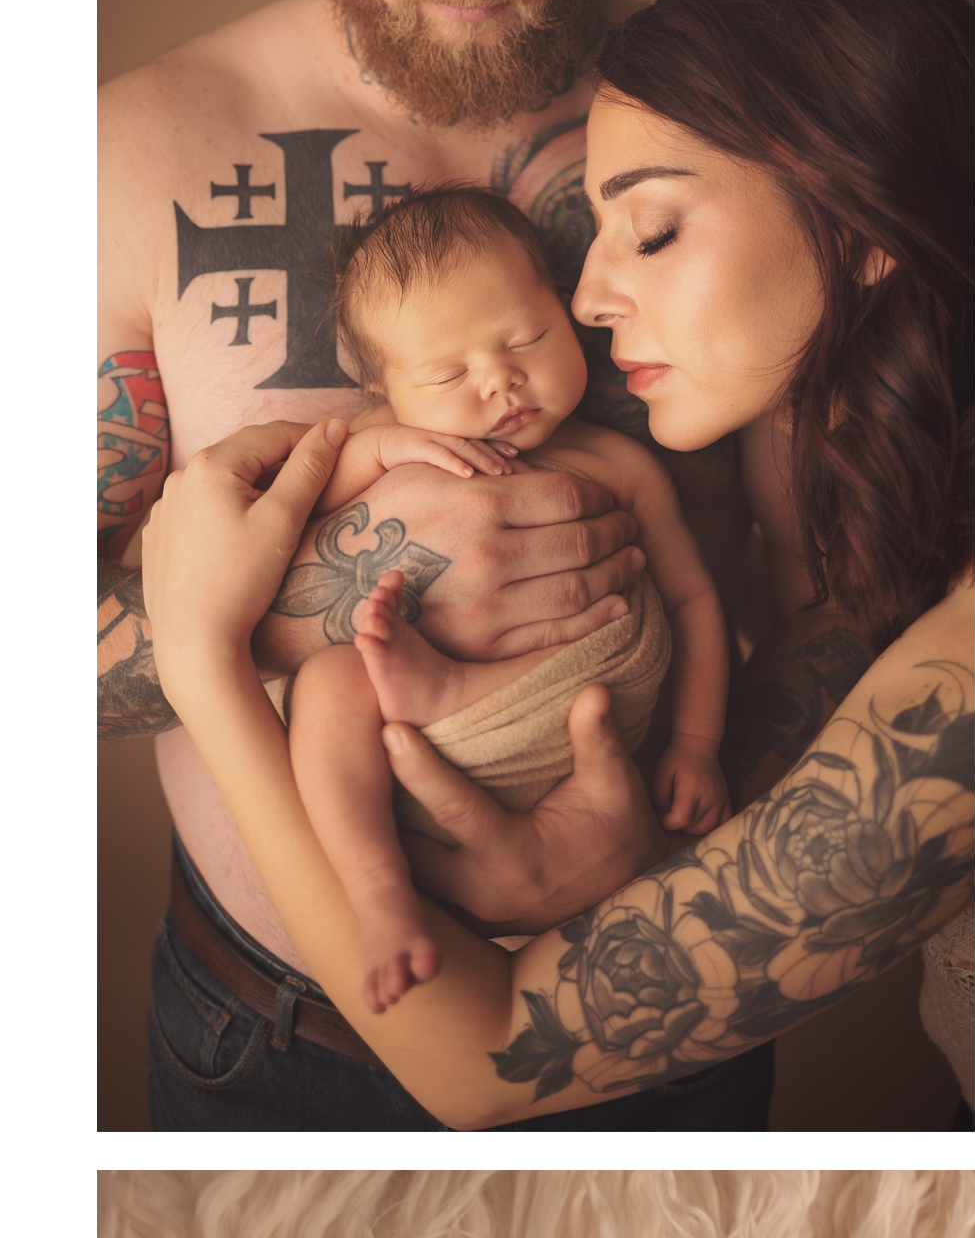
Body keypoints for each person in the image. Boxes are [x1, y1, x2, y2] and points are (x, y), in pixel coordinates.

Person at [101, 0, 973, 1129]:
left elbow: (846, 580)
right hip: (272, 1034)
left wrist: (648, 832)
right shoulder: (120, 162)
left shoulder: (724, 130)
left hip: (651, 1001)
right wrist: (326, 596)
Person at [290, 189, 732, 1014]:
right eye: (447, 374)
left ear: (566, 311)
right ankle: (379, 889)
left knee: (618, 622)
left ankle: (443, 686)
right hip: (429, 765)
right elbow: (294, 519)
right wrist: (380, 446)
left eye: (527, 337)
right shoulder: (384, 450)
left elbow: (693, 598)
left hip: (579, 734)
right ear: (385, 390)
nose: (500, 380)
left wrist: (696, 744)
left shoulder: (618, 465)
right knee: (326, 686)